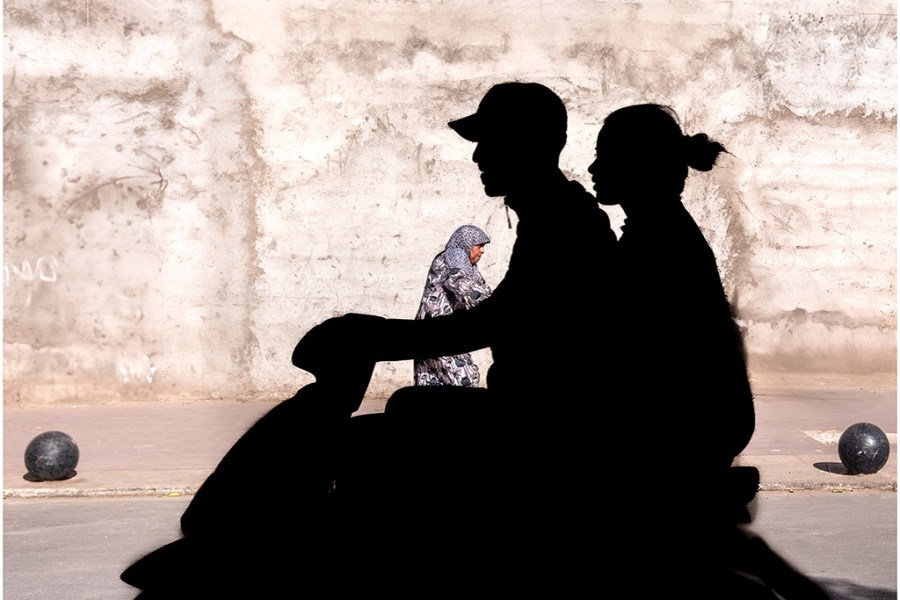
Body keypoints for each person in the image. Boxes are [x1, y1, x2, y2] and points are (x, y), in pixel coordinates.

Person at [121, 82, 618, 597]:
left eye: (491, 141)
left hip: (545, 429)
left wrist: (371, 336)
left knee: (366, 447)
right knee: (402, 409)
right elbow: (499, 317)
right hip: (534, 417)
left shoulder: (564, 223)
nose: (478, 155)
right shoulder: (554, 214)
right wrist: (372, 334)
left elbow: (493, 322)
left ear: (533, 144)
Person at [588, 103, 829, 599]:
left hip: (685, 426)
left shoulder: (656, 244)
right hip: (703, 419)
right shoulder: (655, 232)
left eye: (603, 156)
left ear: (636, 165)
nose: (592, 169)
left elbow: (633, 353)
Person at [413, 224, 492, 387]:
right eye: (479, 246)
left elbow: (482, 289)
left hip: (435, 332)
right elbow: (468, 290)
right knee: (465, 379)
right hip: (437, 333)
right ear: (466, 244)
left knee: (431, 385)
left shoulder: (467, 265)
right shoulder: (451, 261)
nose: (482, 251)